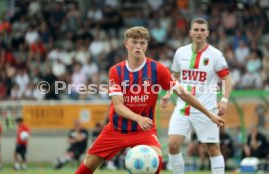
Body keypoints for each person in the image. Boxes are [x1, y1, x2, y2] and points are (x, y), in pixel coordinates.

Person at [75, 26, 225, 174]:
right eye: (134, 42)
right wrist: (138, 118)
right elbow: (118, 106)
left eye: (142, 42)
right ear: (126, 44)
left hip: (144, 130)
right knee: (88, 165)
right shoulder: (116, 71)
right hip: (116, 129)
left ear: (146, 46)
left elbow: (184, 94)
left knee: (155, 163)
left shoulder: (157, 69)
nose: (138, 46)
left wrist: (209, 114)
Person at [162, 18, 232, 174]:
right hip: (182, 108)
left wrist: (224, 100)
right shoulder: (180, 52)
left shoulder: (215, 55)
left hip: (207, 109)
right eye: (196, 29)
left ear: (207, 33)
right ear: (190, 32)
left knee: (212, 148)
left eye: (202, 30)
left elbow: (227, 79)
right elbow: (174, 77)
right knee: (173, 144)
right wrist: (168, 94)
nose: (199, 32)